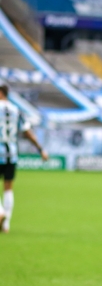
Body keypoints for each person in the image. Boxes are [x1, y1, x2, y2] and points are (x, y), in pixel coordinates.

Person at [0, 83, 48, 233]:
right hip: (12, 154)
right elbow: (27, 132)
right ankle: (6, 225)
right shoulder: (16, 110)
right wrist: (40, 149)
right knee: (8, 188)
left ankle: (1, 213)